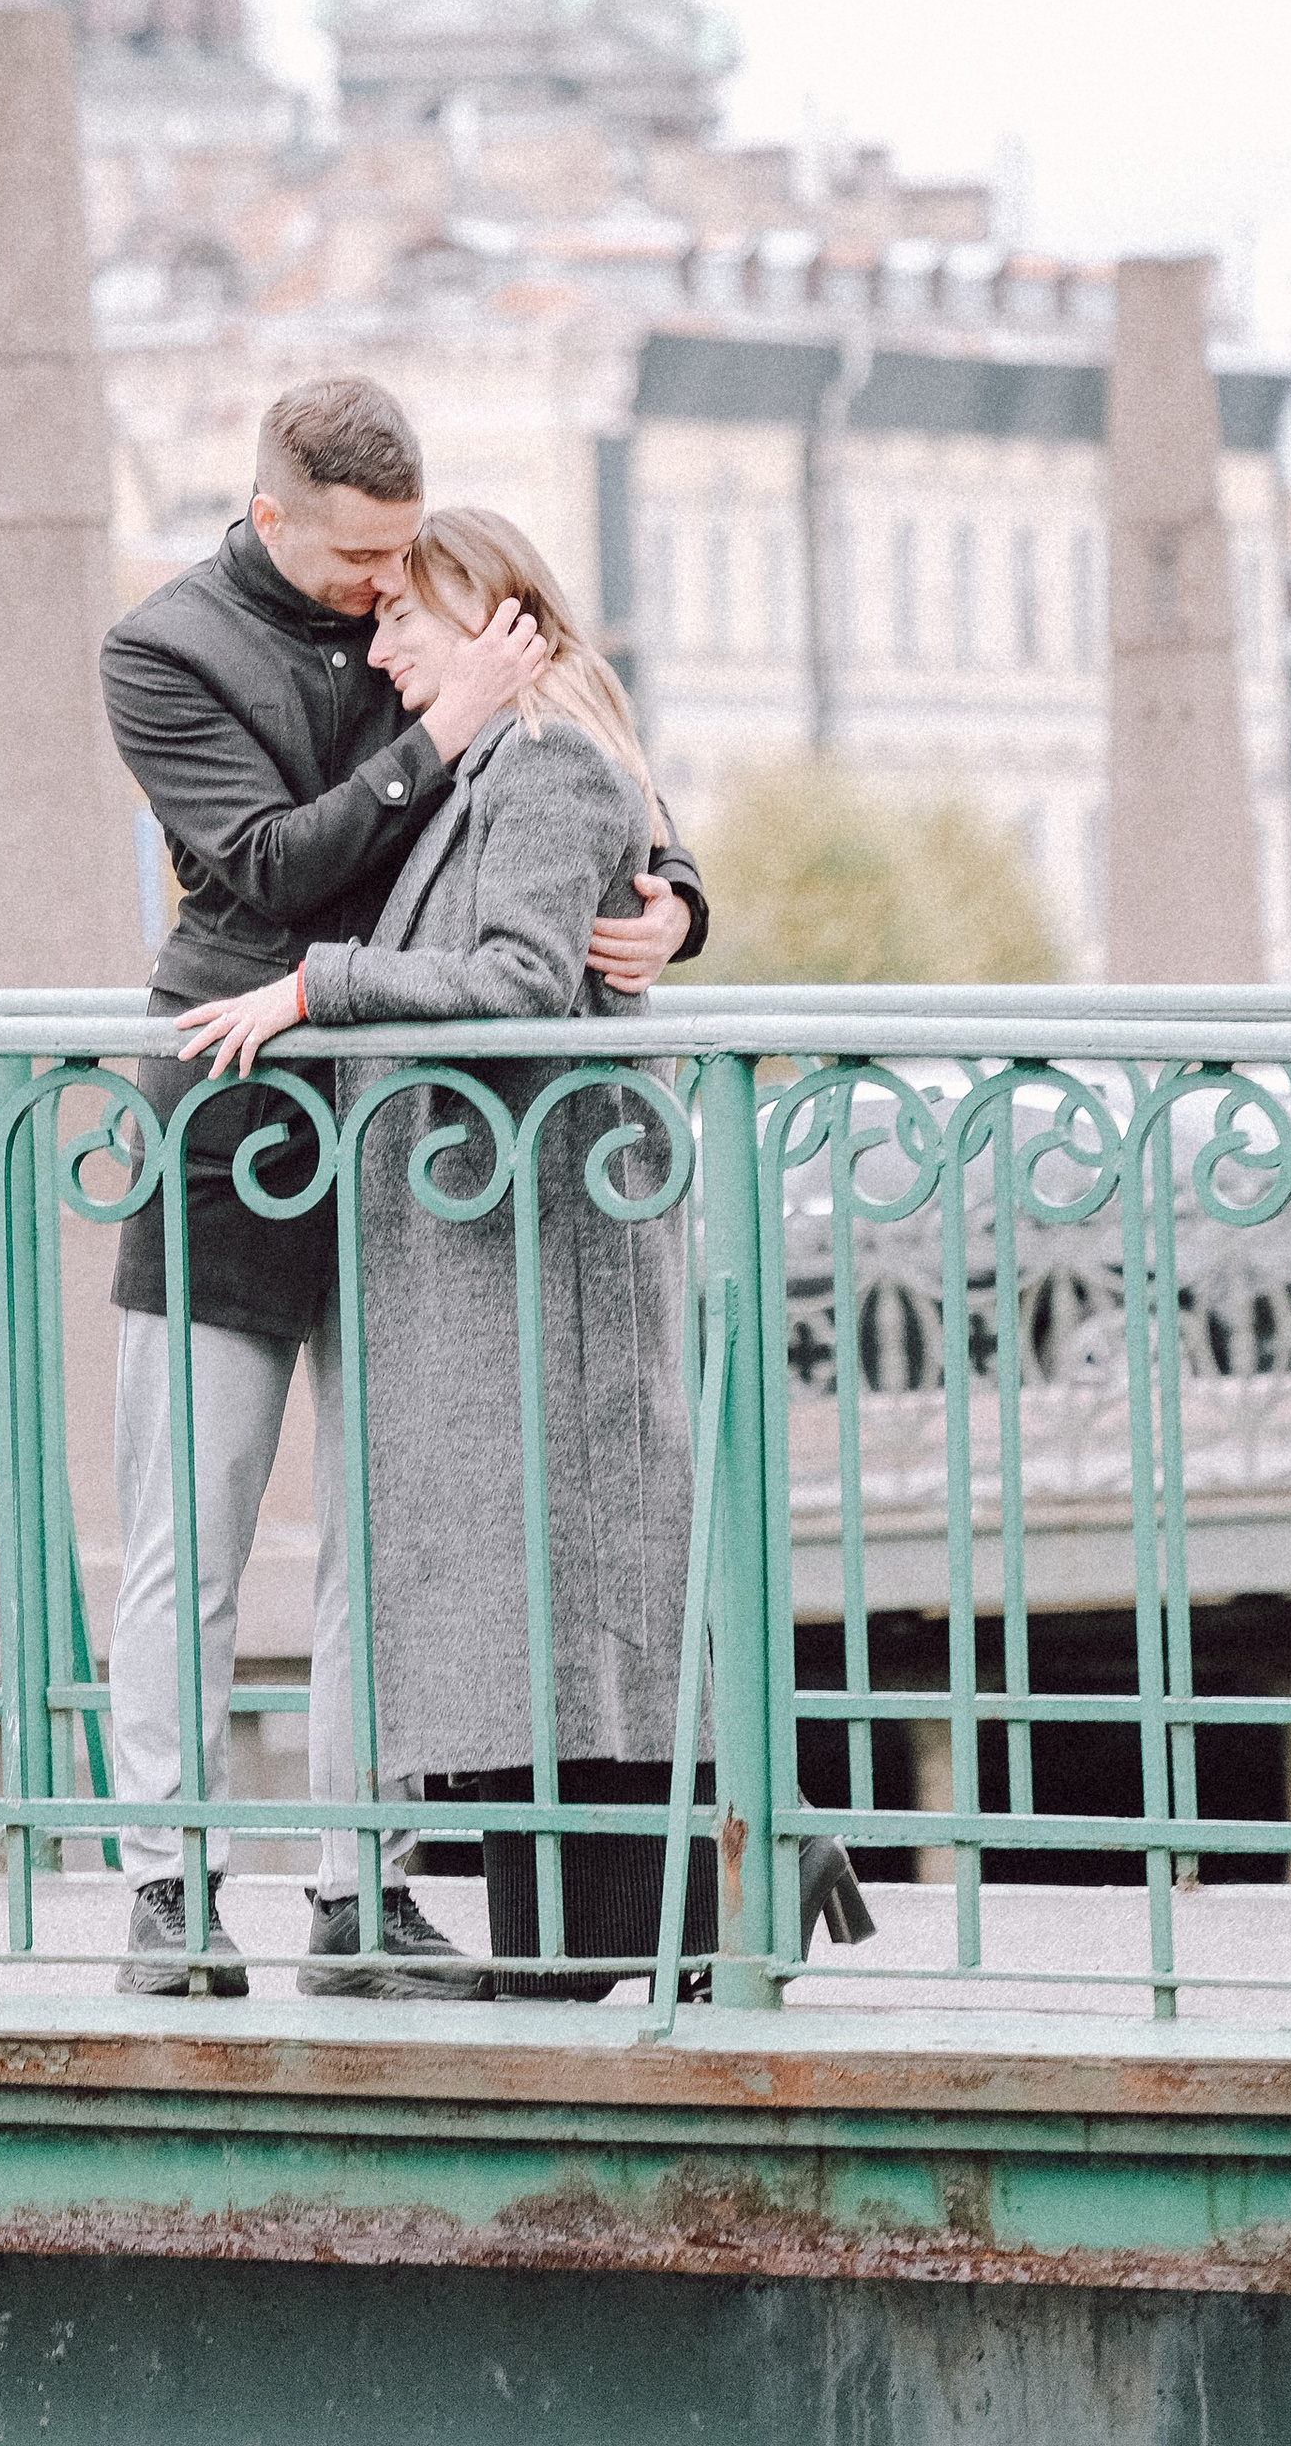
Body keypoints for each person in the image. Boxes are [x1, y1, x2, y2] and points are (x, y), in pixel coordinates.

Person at [183, 507, 874, 1997]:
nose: (378, 649)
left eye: (405, 624)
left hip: (539, 1243)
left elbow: (512, 973)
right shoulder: (483, 761)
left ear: (498, 621)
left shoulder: (547, 762)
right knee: (548, 1595)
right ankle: (705, 1878)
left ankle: (651, 1904)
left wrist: (320, 987)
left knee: (574, 1590)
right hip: (487, 1242)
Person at [100, 378, 708, 1997]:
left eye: (402, 564)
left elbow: (568, 777)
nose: (384, 597)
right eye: (359, 559)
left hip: (412, 1152)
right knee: (195, 1531)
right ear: (274, 514)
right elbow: (274, 874)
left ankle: (357, 1891)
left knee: (384, 1545)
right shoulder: (160, 654)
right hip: (233, 1115)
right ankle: (166, 1890)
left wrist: (675, 902)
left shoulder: (438, 619)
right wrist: (435, 733)